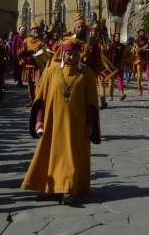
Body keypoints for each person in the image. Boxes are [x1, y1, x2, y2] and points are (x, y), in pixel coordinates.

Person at [21, 38, 101, 205]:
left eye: (75, 54)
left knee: (71, 156)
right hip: (53, 124)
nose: (71, 57)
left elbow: (92, 104)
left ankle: (69, 189)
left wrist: (90, 125)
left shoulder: (87, 74)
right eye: (68, 54)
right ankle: (53, 188)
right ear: (63, 54)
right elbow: (41, 99)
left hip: (76, 126)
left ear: (80, 55)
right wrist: (39, 121)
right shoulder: (52, 72)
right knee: (51, 155)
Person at [18, 24, 45, 106]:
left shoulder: (42, 40)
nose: (36, 31)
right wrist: (25, 50)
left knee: (38, 84)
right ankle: (32, 101)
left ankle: (37, 101)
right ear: (31, 31)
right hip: (28, 66)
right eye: (34, 29)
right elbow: (19, 53)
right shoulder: (26, 40)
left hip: (38, 67)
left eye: (37, 30)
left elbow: (46, 52)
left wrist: (41, 50)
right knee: (30, 85)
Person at [105, 33, 129, 101]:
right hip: (111, 66)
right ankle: (110, 96)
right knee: (111, 82)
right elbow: (106, 54)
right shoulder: (110, 45)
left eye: (118, 36)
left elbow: (127, 53)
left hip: (119, 65)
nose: (117, 37)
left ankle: (121, 94)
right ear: (114, 37)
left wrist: (125, 59)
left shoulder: (122, 46)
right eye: (116, 36)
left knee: (120, 80)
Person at [133, 28, 149, 95]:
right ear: (138, 33)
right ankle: (140, 89)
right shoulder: (136, 41)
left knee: (148, 73)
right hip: (139, 59)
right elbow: (137, 50)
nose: (142, 32)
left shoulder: (147, 39)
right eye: (141, 31)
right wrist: (143, 48)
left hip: (146, 59)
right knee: (139, 76)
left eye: (143, 31)